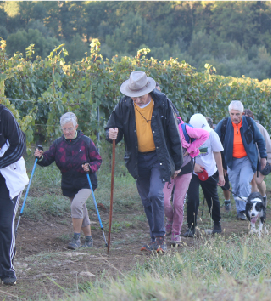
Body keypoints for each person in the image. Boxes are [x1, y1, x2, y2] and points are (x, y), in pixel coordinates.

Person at [105, 71, 182, 253]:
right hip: (137, 159)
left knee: (156, 194)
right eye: (132, 96)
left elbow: (173, 133)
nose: (135, 100)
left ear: (147, 91)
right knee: (147, 198)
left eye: (138, 96)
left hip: (159, 157)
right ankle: (154, 238)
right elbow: (112, 126)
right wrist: (111, 133)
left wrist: (177, 164)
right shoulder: (124, 104)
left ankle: (160, 239)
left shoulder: (162, 103)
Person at [34, 112, 102, 250]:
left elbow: (97, 160)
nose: (67, 132)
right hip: (69, 182)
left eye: (70, 128)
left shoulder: (86, 141)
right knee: (80, 209)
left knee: (76, 205)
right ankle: (89, 240)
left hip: (86, 181)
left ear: (76, 126)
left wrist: (89, 167)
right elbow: (47, 158)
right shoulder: (58, 143)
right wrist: (40, 157)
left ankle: (76, 238)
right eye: (64, 129)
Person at [215, 100, 268, 220]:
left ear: (242, 113)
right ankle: (240, 210)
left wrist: (263, 157)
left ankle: (244, 210)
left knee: (244, 182)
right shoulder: (224, 124)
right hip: (231, 160)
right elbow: (214, 138)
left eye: (238, 114)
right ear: (229, 113)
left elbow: (260, 139)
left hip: (247, 159)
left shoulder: (249, 123)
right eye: (232, 114)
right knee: (235, 186)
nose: (235, 117)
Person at [164, 115, 209, 245]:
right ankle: (170, 218)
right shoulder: (161, 128)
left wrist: (190, 149)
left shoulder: (185, 129)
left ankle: (176, 232)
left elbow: (205, 134)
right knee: (165, 202)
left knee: (178, 203)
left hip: (185, 169)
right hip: (168, 169)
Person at [183, 113, 225, 237]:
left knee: (212, 198)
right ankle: (191, 227)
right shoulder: (186, 135)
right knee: (192, 198)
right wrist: (193, 165)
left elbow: (217, 154)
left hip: (209, 172)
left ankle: (217, 225)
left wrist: (221, 174)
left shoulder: (212, 135)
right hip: (192, 172)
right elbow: (184, 153)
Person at [0, 104, 27, 286]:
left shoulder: (5, 116)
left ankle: (7, 268)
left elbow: (19, 146)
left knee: (4, 223)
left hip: (9, 178)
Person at [243, 109, 271, 203]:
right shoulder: (239, 128)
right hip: (248, 160)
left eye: (248, 118)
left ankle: (263, 196)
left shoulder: (260, 128)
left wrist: (270, 160)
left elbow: (268, 145)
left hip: (261, 159)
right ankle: (255, 202)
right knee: (253, 180)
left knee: (258, 181)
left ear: (253, 118)